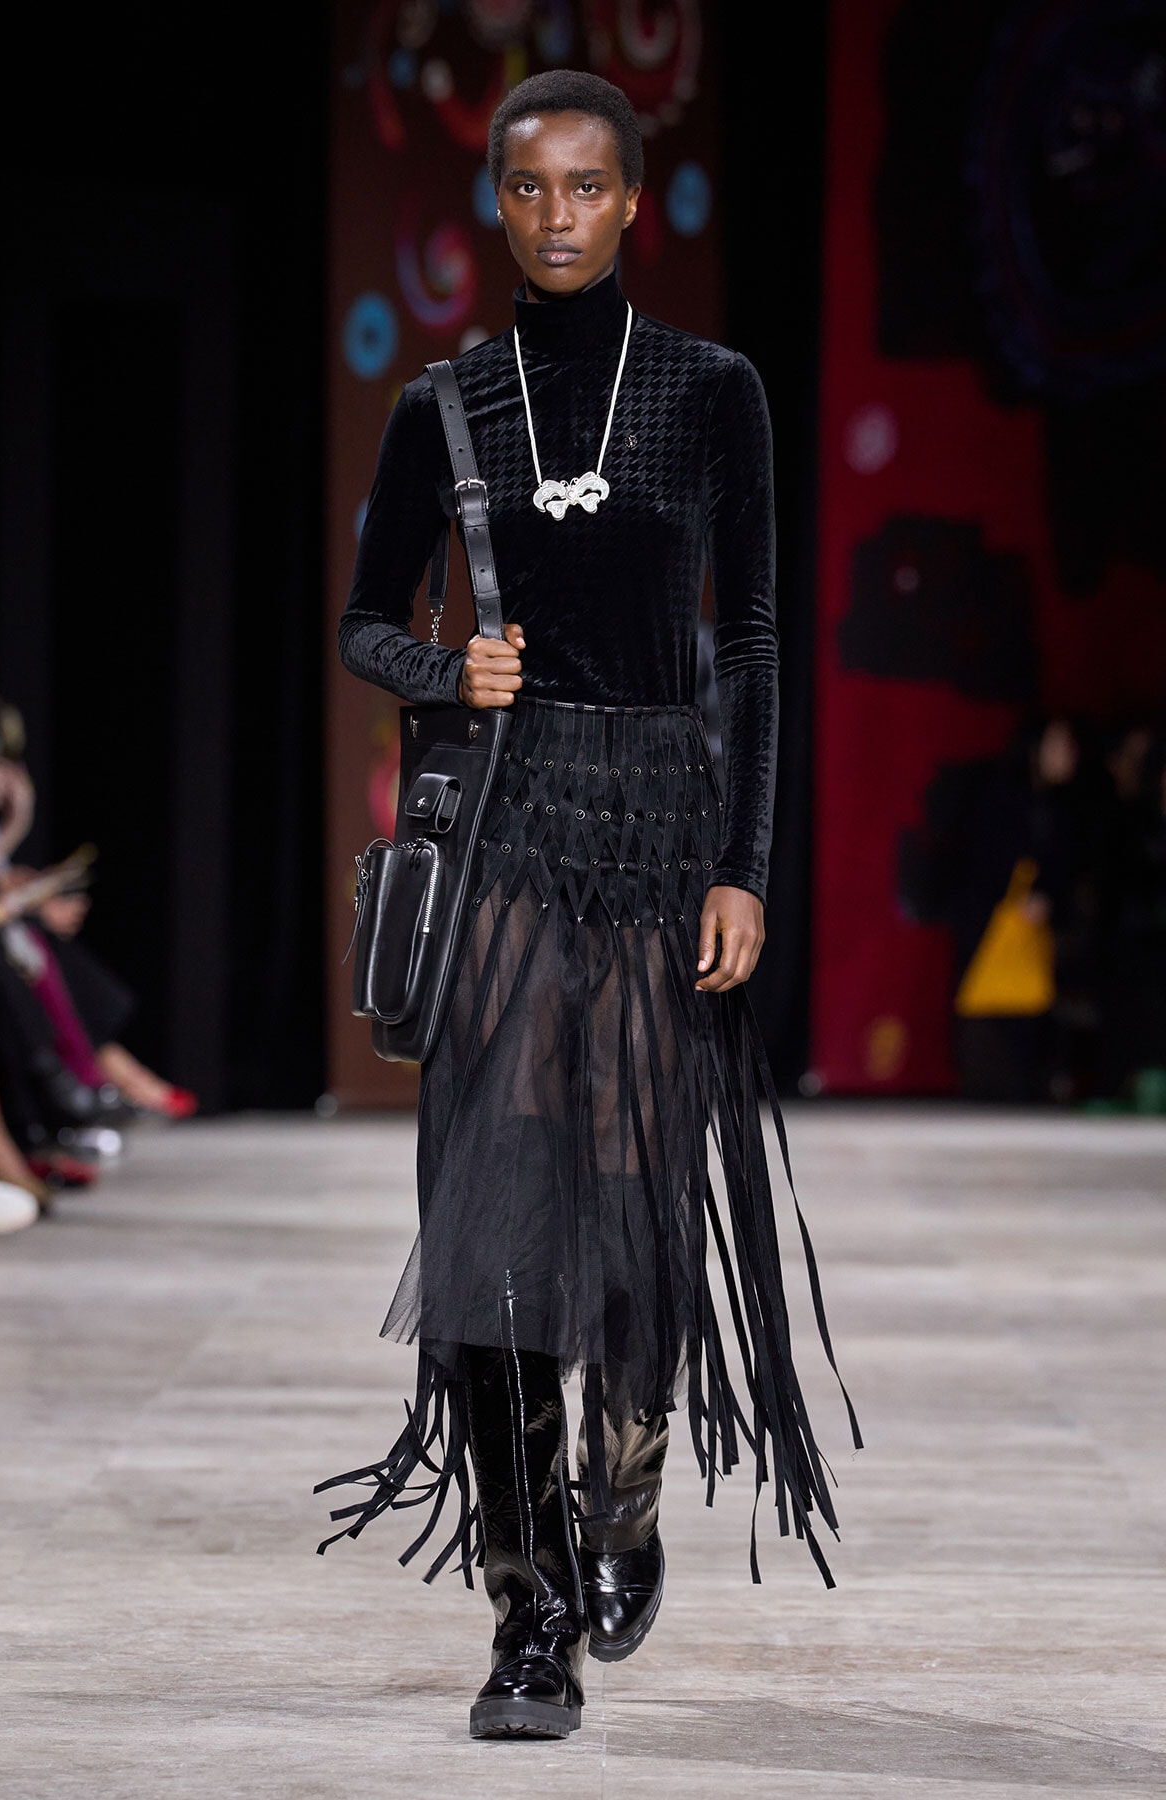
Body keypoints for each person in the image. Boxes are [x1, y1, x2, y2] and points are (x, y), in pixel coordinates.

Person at [319, 69, 858, 1741]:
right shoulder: (449, 406)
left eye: (585, 188)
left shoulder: (714, 394)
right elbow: (361, 621)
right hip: (505, 829)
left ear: (632, 202)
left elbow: (754, 641)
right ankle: (529, 1601)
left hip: (659, 831)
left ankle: (622, 1487)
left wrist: (748, 867)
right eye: (528, 189)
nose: (555, 216)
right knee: (489, 1216)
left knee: (631, 1193)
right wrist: (445, 666)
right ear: (499, 203)